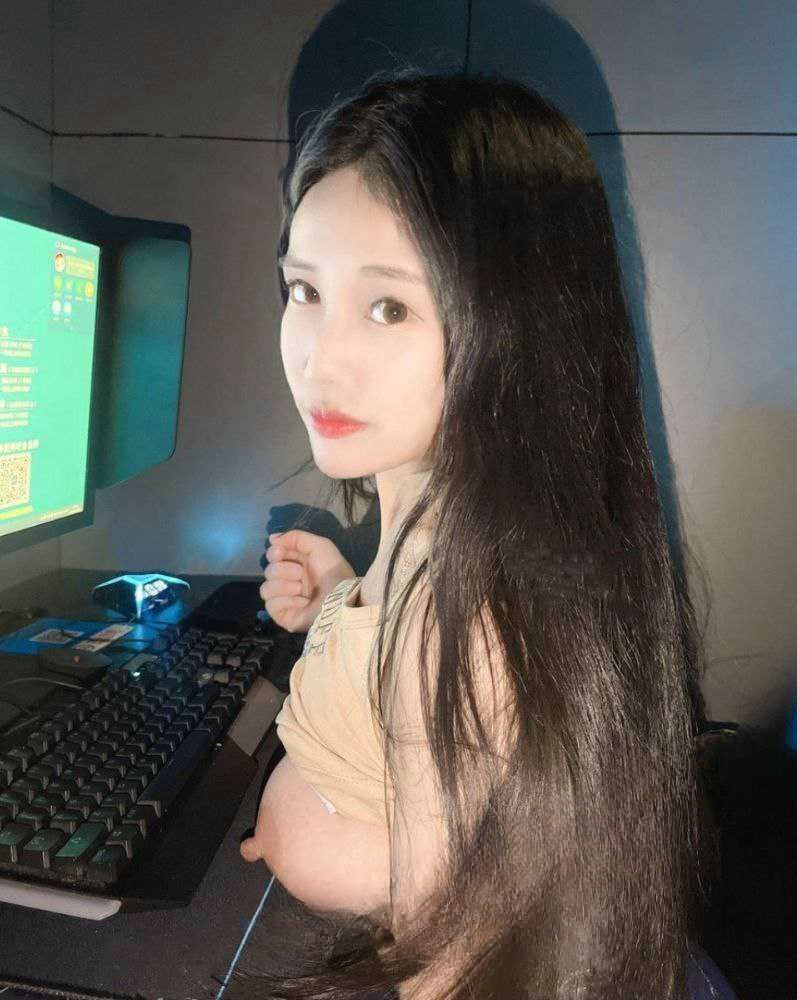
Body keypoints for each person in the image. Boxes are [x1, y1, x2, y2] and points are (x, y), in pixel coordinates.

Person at [230, 69, 729, 999]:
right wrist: (340, 593)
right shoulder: (442, 510)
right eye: (303, 289)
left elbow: (454, 938)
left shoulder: (461, 617)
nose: (319, 358)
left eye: (388, 307)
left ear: (516, 326)